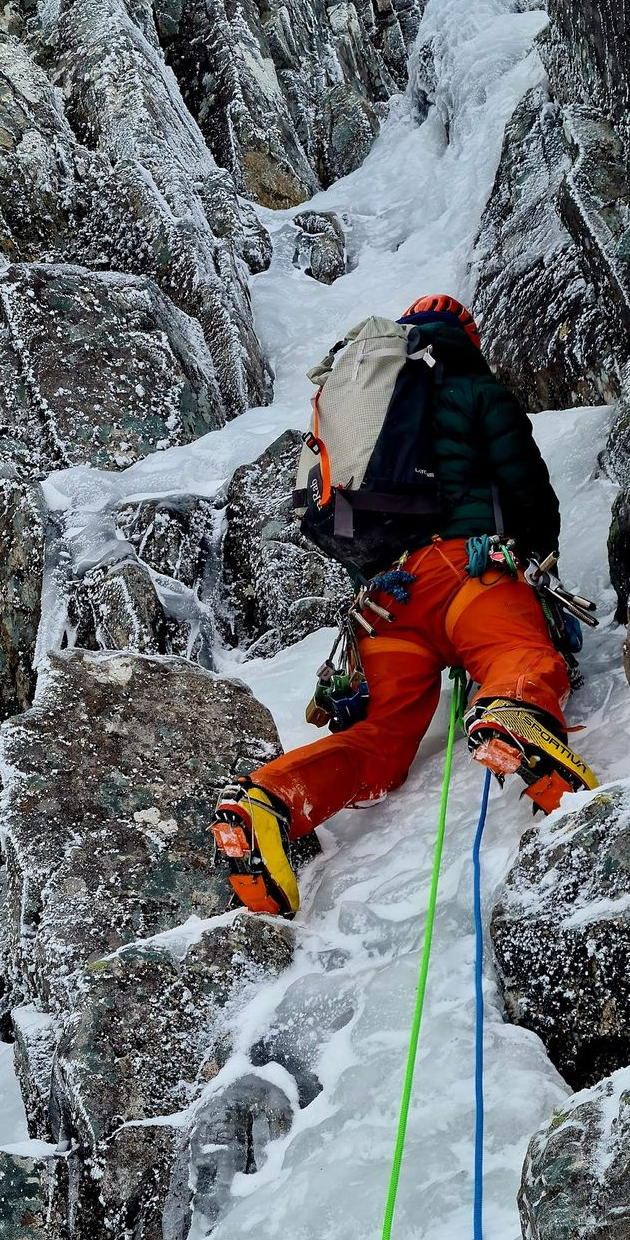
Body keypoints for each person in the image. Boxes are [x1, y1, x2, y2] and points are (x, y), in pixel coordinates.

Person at [213, 293, 596, 918]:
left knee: (379, 746)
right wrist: (537, 555)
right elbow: (527, 488)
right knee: (514, 654)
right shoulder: (476, 391)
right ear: (465, 337)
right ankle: (513, 715)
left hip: (387, 604)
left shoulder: (375, 415)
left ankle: (271, 799)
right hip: (468, 572)